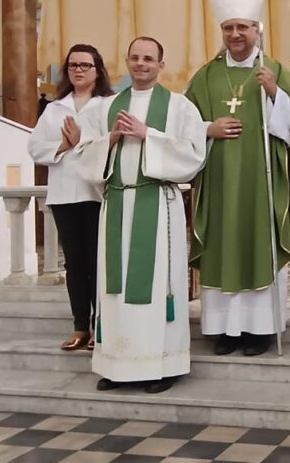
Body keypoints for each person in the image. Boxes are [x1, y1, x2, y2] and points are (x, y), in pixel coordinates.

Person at [186, 0, 290, 357]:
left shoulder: (272, 72)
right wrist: (209, 129)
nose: (235, 35)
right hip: (220, 182)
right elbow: (183, 123)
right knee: (223, 248)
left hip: (260, 183)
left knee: (259, 244)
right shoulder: (205, 77)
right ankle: (225, 330)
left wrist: (276, 96)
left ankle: (259, 329)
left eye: (242, 27)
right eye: (228, 28)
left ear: (257, 29)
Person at [77, 36, 207, 394]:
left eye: (149, 59)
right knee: (114, 288)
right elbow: (85, 155)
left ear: (161, 65)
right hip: (117, 205)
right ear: (127, 62)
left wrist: (148, 134)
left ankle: (159, 366)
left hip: (157, 204)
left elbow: (194, 156)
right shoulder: (104, 110)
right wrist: (112, 140)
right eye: (134, 58)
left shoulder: (180, 108)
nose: (141, 64)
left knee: (154, 291)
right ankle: (116, 366)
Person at [28, 44, 113, 352]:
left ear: (98, 70)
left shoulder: (108, 105)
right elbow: (35, 148)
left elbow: (112, 144)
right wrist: (62, 146)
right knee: (75, 264)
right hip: (64, 195)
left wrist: (81, 142)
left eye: (85, 65)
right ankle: (81, 327)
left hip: (96, 194)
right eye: (73, 65)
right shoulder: (54, 108)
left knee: (98, 262)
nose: (78, 70)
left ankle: (102, 326)